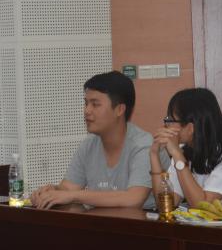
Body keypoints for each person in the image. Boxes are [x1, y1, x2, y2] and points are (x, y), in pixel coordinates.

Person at [30, 71, 162, 210]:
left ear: (119, 110)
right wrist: (52, 191)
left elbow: (134, 199)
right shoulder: (89, 144)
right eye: (86, 103)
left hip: (141, 221)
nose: (87, 111)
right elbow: (68, 188)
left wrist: (73, 196)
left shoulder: (143, 145)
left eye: (95, 104)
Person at [149, 88, 222, 218]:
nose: (167, 126)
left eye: (170, 120)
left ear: (190, 128)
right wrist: (154, 155)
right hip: (205, 227)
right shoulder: (182, 150)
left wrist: (177, 156)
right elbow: (166, 204)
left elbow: (203, 206)